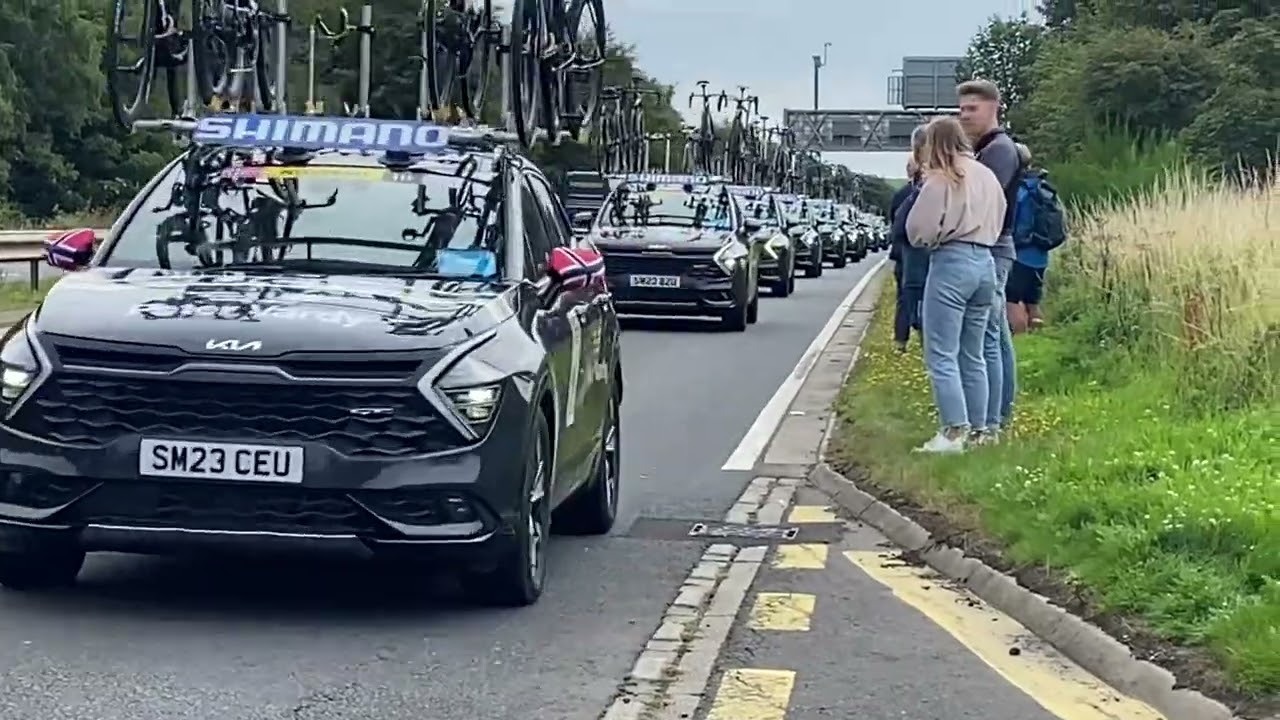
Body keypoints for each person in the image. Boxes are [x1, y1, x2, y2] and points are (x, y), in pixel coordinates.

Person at [905, 116, 1007, 453]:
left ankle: (953, 431)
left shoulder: (942, 178)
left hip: (952, 260)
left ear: (933, 144)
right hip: (986, 261)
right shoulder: (987, 176)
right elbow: (1003, 211)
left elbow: (919, 228)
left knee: (941, 352)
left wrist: (929, 239)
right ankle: (981, 430)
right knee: (973, 352)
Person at [957, 79, 1021, 443]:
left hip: (994, 246)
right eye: (962, 109)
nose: (965, 116)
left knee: (988, 338)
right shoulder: (990, 148)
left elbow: (980, 200)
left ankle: (992, 422)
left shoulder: (998, 151)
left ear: (994, 107)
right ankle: (998, 415)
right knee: (996, 336)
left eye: (972, 109)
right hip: (996, 245)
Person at [1006, 142, 1058, 333]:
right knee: (1032, 301)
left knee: (1011, 301)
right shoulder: (1042, 186)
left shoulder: (1018, 191)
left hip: (1020, 255)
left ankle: (1019, 343)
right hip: (1041, 255)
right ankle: (1036, 337)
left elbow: (1012, 222)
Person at [888, 127, 929, 352]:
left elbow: (895, 224)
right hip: (913, 253)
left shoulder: (906, 194)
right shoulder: (908, 194)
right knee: (914, 297)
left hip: (910, 254)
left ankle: (902, 340)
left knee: (907, 297)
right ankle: (912, 338)